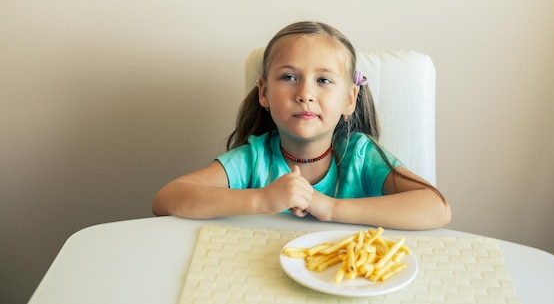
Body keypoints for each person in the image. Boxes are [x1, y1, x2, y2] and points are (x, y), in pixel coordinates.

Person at [152, 21, 451, 230]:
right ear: (264, 93)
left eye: (323, 80)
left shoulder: (360, 155)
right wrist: (261, 199)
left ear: (350, 99)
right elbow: (167, 199)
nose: (305, 93)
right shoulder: (254, 158)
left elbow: (436, 208)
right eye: (288, 77)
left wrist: (330, 208)